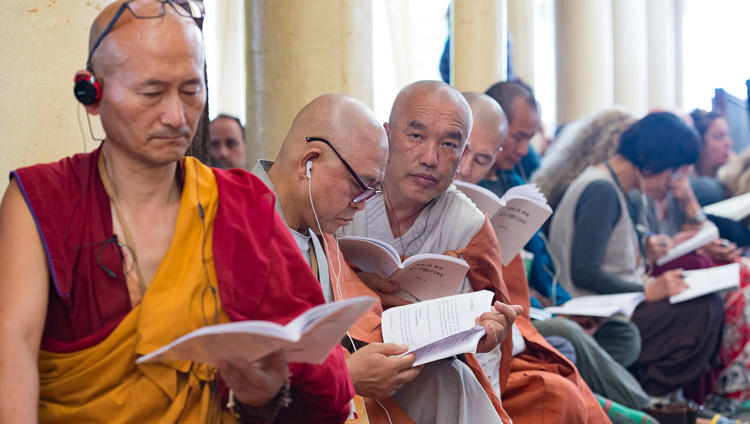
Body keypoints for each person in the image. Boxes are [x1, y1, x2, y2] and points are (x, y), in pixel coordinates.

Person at [0, 2, 354, 422]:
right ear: (91, 92)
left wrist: (262, 395)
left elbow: (323, 380)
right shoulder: (42, 200)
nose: (176, 117)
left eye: (191, 91)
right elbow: (12, 349)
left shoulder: (237, 205)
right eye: (151, 92)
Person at [341, 80, 611, 423]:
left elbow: (489, 332)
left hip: (429, 367)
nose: (430, 158)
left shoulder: (469, 223)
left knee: (512, 388)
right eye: (416, 136)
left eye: (450, 144)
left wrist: (488, 337)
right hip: (349, 360)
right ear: (387, 135)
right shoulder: (348, 197)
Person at [252, 92, 520, 424]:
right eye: (359, 186)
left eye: (372, 190)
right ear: (311, 162)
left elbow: (362, 326)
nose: (362, 204)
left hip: (335, 389)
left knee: (450, 379)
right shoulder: (242, 225)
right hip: (290, 405)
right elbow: (236, 366)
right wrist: (345, 377)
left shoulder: (317, 229)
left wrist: (464, 331)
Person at [458, 94, 656, 417]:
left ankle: (620, 405)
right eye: (519, 137)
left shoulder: (516, 184)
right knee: (565, 346)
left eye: (480, 159)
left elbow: (539, 268)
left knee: (619, 336)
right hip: (508, 315)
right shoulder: (600, 188)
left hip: (537, 308)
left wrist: (564, 306)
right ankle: (640, 409)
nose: (524, 150)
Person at [548, 112, 724, 401]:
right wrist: (648, 289)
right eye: (672, 173)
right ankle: (651, 397)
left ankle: (659, 395)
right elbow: (585, 271)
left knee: (705, 302)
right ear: (653, 162)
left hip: (612, 306)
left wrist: (648, 254)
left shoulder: (613, 186)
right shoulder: (601, 190)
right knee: (703, 310)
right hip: (595, 313)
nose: (671, 184)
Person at [689, 108, 734, 206]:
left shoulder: (730, 176)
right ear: (699, 142)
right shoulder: (686, 183)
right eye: (719, 136)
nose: (729, 143)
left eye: (727, 135)